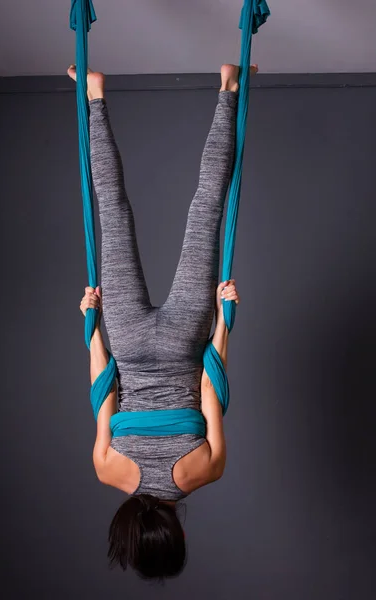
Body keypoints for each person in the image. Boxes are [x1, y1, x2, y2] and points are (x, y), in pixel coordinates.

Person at [68, 62, 257, 581]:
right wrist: (93, 328)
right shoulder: (109, 471)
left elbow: (209, 383)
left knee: (206, 210)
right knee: (114, 212)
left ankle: (228, 87)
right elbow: (104, 390)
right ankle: (95, 95)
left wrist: (223, 320)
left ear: (181, 534)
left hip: (183, 339)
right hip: (126, 338)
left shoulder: (204, 471)